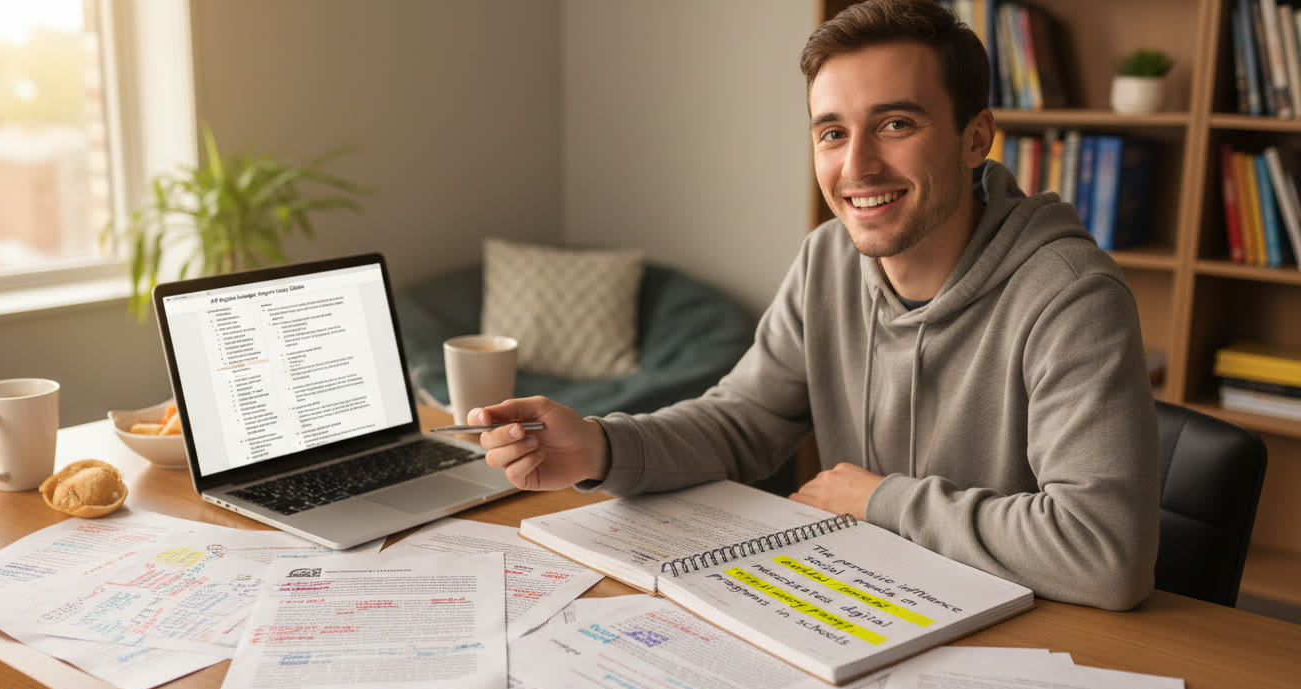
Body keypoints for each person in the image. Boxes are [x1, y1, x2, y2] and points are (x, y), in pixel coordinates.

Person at [470, 0, 1158, 611]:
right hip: (864, 605)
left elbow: (1105, 553)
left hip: (1020, 635)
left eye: (894, 124)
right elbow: (743, 422)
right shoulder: (828, 258)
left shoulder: (1070, 296)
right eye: (832, 132)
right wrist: (601, 445)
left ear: (975, 137)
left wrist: (877, 501)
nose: (856, 167)